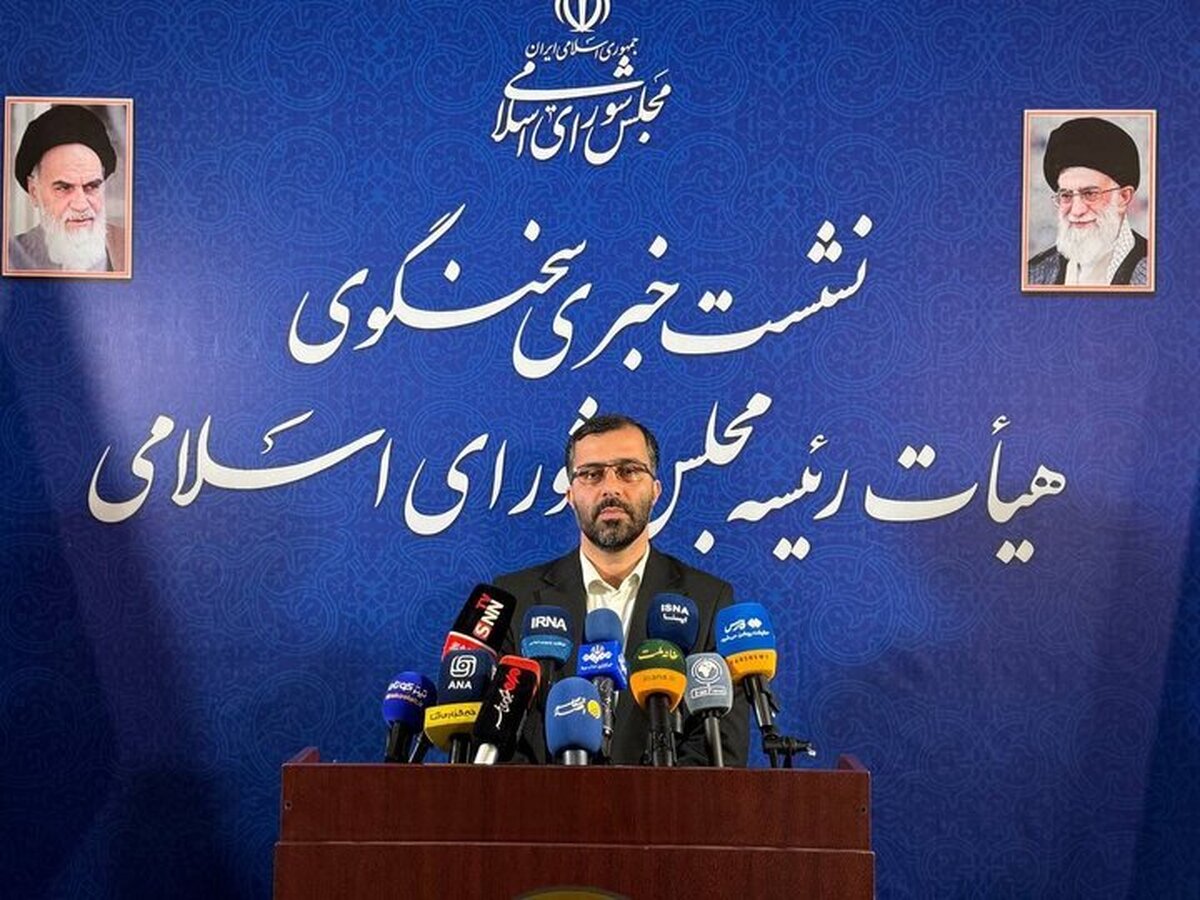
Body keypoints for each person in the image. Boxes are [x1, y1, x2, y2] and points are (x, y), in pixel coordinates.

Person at [494, 414, 751, 766]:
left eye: (629, 471)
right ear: (570, 494)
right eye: (591, 474)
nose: (611, 488)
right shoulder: (514, 599)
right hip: (540, 803)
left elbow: (719, 747)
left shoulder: (708, 600)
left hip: (664, 802)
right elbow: (498, 741)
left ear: (656, 490)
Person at [1027, 116, 1148, 286]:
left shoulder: (1156, 269)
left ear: (1123, 197)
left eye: (1090, 194)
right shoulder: (1033, 273)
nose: (1076, 211)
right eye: (1066, 195)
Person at [7, 104, 125, 273]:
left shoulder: (130, 245)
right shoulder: (11, 257)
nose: (81, 205)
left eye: (92, 186)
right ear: (34, 192)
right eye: (63, 188)